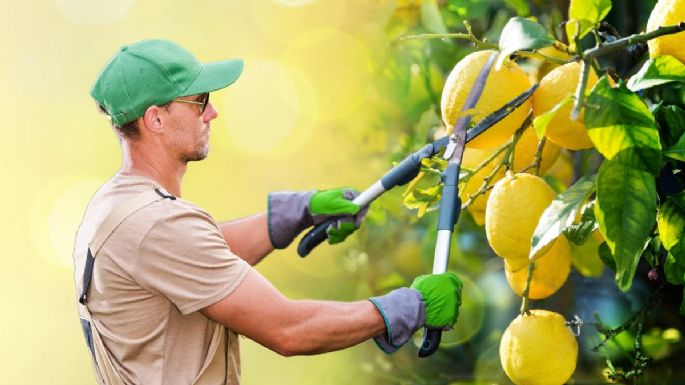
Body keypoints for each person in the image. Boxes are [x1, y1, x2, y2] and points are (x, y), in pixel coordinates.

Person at [73, 39, 463, 385]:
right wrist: (410, 307)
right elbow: (290, 330)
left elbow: (198, 257)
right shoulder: (154, 223)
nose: (212, 114)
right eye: (199, 102)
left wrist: (298, 213)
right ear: (155, 118)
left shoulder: (118, 206)